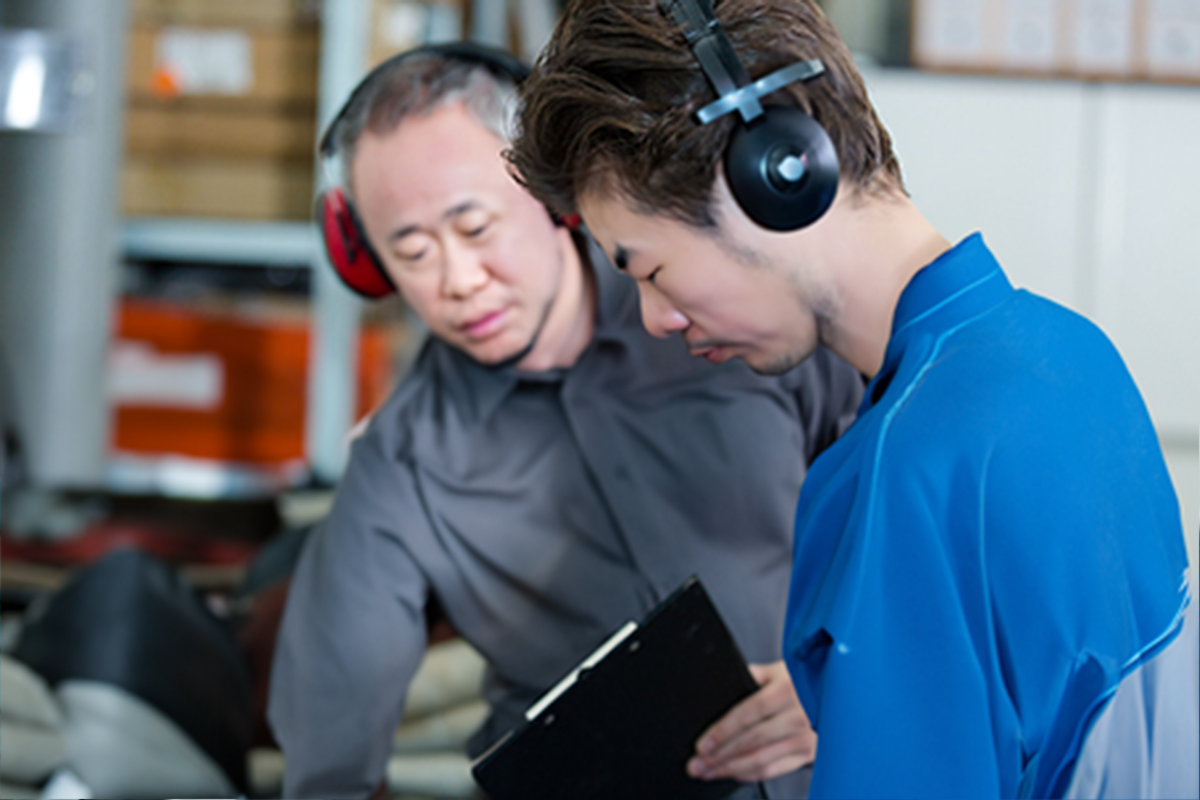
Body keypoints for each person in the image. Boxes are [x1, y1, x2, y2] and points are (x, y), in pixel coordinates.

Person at [509, 1, 1197, 798]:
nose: (657, 320)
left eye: (651, 271)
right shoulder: (1069, 351)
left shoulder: (909, 467)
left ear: (774, 174)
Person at [267, 42, 866, 800]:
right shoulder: (403, 462)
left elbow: (916, 520)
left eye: (475, 228)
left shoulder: (731, 320)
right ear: (369, 263)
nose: (458, 281)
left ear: (556, 194)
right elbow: (328, 754)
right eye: (412, 252)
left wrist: (855, 673)